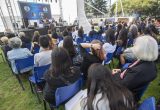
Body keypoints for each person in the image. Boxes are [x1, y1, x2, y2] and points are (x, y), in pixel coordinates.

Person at [112, 35, 158, 102]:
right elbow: (131, 67)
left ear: (142, 50)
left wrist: (114, 75)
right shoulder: (148, 62)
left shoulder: (139, 71)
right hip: (129, 90)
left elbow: (121, 86)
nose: (134, 48)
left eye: (136, 46)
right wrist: (120, 70)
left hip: (124, 97)